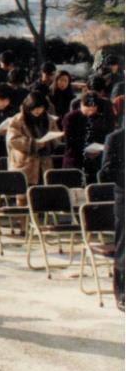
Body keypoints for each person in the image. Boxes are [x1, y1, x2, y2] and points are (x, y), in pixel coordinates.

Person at [5, 91, 60, 186]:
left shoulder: (49, 119)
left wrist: (49, 141)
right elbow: (13, 140)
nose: (38, 110)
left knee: (42, 193)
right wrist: (34, 144)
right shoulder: (17, 120)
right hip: (24, 163)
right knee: (23, 194)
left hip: (44, 162)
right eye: (35, 108)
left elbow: (56, 135)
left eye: (41, 108)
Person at [99, 127, 124, 311]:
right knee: (124, 246)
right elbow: (106, 171)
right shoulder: (115, 138)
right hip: (124, 196)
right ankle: (122, 291)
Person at [61, 93, 113, 181]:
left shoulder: (98, 117)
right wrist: (86, 151)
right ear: (81, 104)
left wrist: (99, 149)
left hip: (94, 160)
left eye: (93, 108)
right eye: (88, 107)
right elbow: (69, 142)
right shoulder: (71, 117)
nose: (91, 110)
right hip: (75, 159)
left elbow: (102, 136)